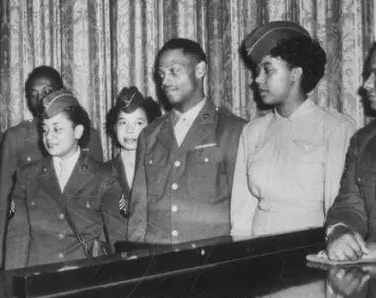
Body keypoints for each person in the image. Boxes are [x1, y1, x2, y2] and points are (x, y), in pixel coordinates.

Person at [231, 22, 356, 238]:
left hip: (308, 247)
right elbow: (242, 211)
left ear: (295, 74)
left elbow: (338, 208)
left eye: (267, 70)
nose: (257, 79)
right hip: (259, 250)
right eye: (257, 71)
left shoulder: (334, 128)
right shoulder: (253, 131)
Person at [127, 38, 246, 244]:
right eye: (161, 74)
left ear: (200, 70)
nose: (165, 81)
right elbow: (139, 214)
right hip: (159, 264)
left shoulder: (232, 130)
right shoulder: (150, 135)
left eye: (175, 71)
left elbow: (243, 214)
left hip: (211, 264)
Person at [0, 66, 104, 270]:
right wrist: (6, 265)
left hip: (79, 256)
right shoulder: (16, 138)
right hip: (37, 252)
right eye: (32, 95)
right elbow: (5, 205)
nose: (39, 100)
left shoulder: (89, 135)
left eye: (47, 92)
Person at [4, 89, 126, 270]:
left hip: (85, 283)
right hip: (39, 282)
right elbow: (17, 240)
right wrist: (13, 287)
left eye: (57, 129)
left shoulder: (103, 177)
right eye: (45, 130)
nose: (49, 137)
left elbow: (120, 240)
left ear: (77, 131)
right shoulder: (27, 176)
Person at [325, 43, 376, 261]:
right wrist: (340, 232)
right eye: (369, 73)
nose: (367, 84)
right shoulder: (363, 141)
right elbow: (349, 206)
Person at [105, 86, 162, 194]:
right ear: (115, 128)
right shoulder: (103, 173)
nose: (129, 130)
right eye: (123, 123)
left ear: (150, 127)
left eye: (138, 123)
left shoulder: (161, 168)